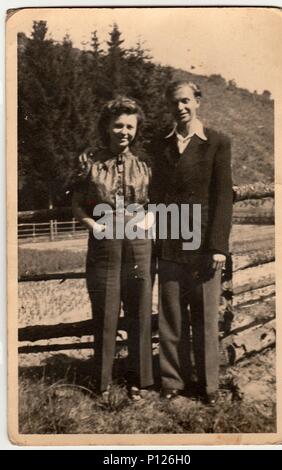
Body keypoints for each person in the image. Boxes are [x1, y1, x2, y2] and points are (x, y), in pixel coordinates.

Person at [152, 80, 233, 405]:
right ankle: (172, 382)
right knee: (171, 317)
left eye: (186, 101)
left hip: (203, 247)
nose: (180, 108)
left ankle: (208, 386)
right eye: (174, 103)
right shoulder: (161, 145)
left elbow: (223, 196)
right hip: (170, 243)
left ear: (198, 101)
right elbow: (156, 195)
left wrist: (217, 247)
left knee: (204, 317)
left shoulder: (217, 142)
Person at [72, 97, 154, 400]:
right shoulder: (90, 163)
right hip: (104, 243)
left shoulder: (145, 163)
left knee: (140, 311)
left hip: (139, 243)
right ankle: (102, 384)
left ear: (136, 129)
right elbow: (78, 203)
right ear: (106, 126)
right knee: (105, 312)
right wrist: (93, 225)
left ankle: (140, 382)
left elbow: (156, 200)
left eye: (130, 126)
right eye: (118, 125)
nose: (124, 131)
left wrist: (150, 219)